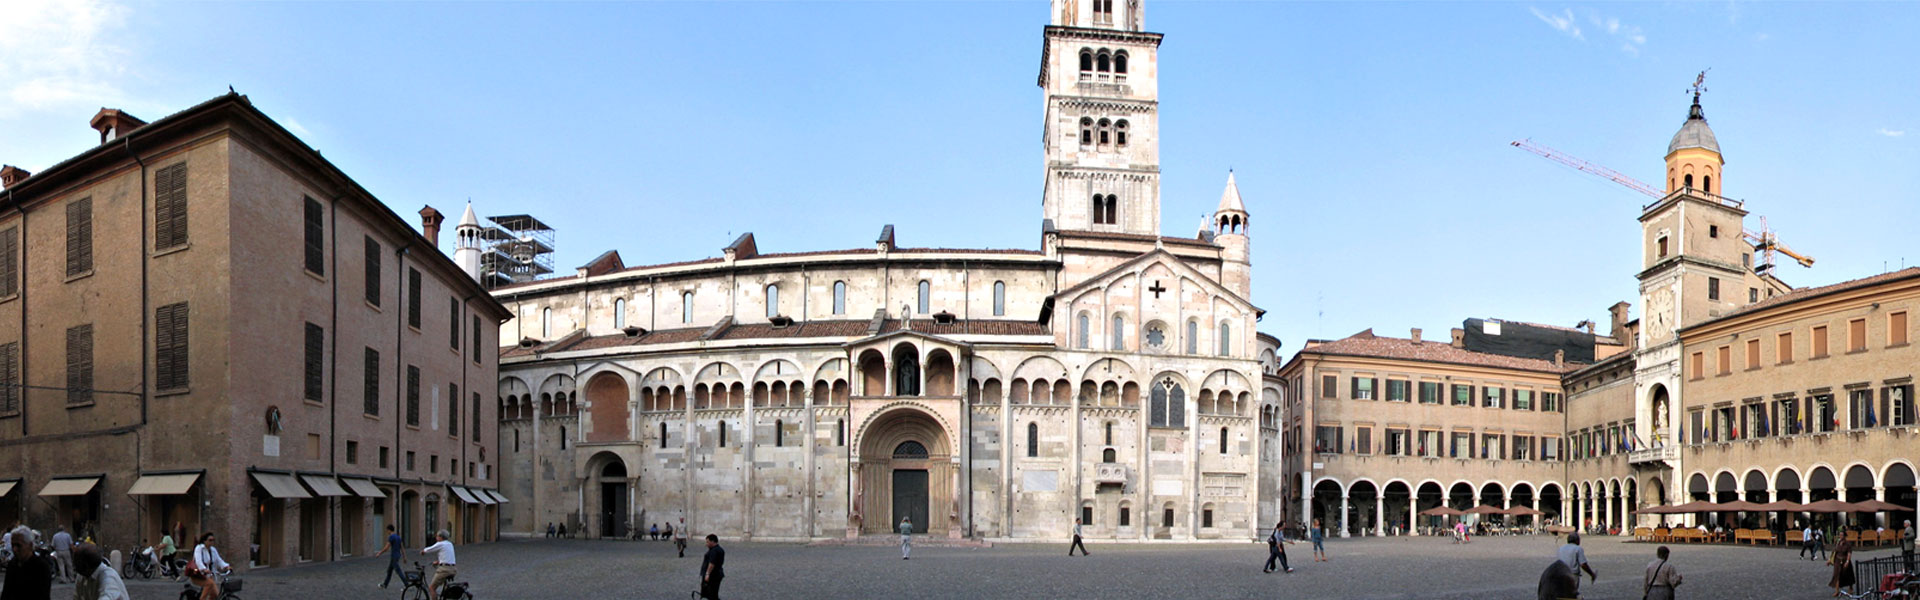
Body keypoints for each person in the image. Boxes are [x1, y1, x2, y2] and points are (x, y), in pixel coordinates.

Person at [4, 526, 54, 600]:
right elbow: (6, 591)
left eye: (18, 545)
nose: (15, 549)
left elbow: (42, 595)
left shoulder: (41, 567)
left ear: (30, 545)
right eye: (13, 545)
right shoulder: (12, 564)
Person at [188, 532, 232, 600]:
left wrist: (226, 566)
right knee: (209, 584)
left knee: (215, 595)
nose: (212, 542)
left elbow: (219, 560)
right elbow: (198, 561)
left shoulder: (213, 550)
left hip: (209, 575)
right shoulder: (199, 548)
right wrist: (204, 569)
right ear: (204, 541)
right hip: (198, 575)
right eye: (210, 540)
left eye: (213, 540)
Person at [420, 530, 457, 599]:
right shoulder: (450, 544)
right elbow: (447, 556)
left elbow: (431, 549)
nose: (436, 537)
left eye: (437, 536)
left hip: (445, 570)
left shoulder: (440, 543)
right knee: (442, 586)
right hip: (453, 569)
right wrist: (438, 562)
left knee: (432, 588)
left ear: (441, 537)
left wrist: (423, 551)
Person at [375, 524, 405, 589]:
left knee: (398, 571)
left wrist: (379, 553)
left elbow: (386, 548)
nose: (387, 532)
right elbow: (402, 548)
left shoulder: (391, 537)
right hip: (397, 556)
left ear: (389, 530)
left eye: (387, 530)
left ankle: (406, 584)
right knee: (389, 571)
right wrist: (404, 557)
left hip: (394, 556)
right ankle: (385, 584)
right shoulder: (398, 537)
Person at [699, 534, 725, 600]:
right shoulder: (719, 549)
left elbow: (712, 564)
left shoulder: (714, 551)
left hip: (713, 575)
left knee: (711, 594)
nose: (706, 544)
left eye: (707, 542)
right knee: (713, 594)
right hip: (717, 574)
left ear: (712, 541)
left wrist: (707, 574)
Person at [1831, 531, 1856, 597]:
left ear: (1845, 536)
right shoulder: (1837, 543)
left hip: (1845, 561)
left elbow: (1849, 553)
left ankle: (1851, 588)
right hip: (1837, 561)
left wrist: (1847, 561)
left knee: (1848, 574)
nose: (1840, 536)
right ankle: (1837, 591)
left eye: (1842, 535)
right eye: (1840, 535)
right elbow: (1834, 551)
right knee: (1836, 575)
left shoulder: (1848, 544)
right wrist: (1830, 560)